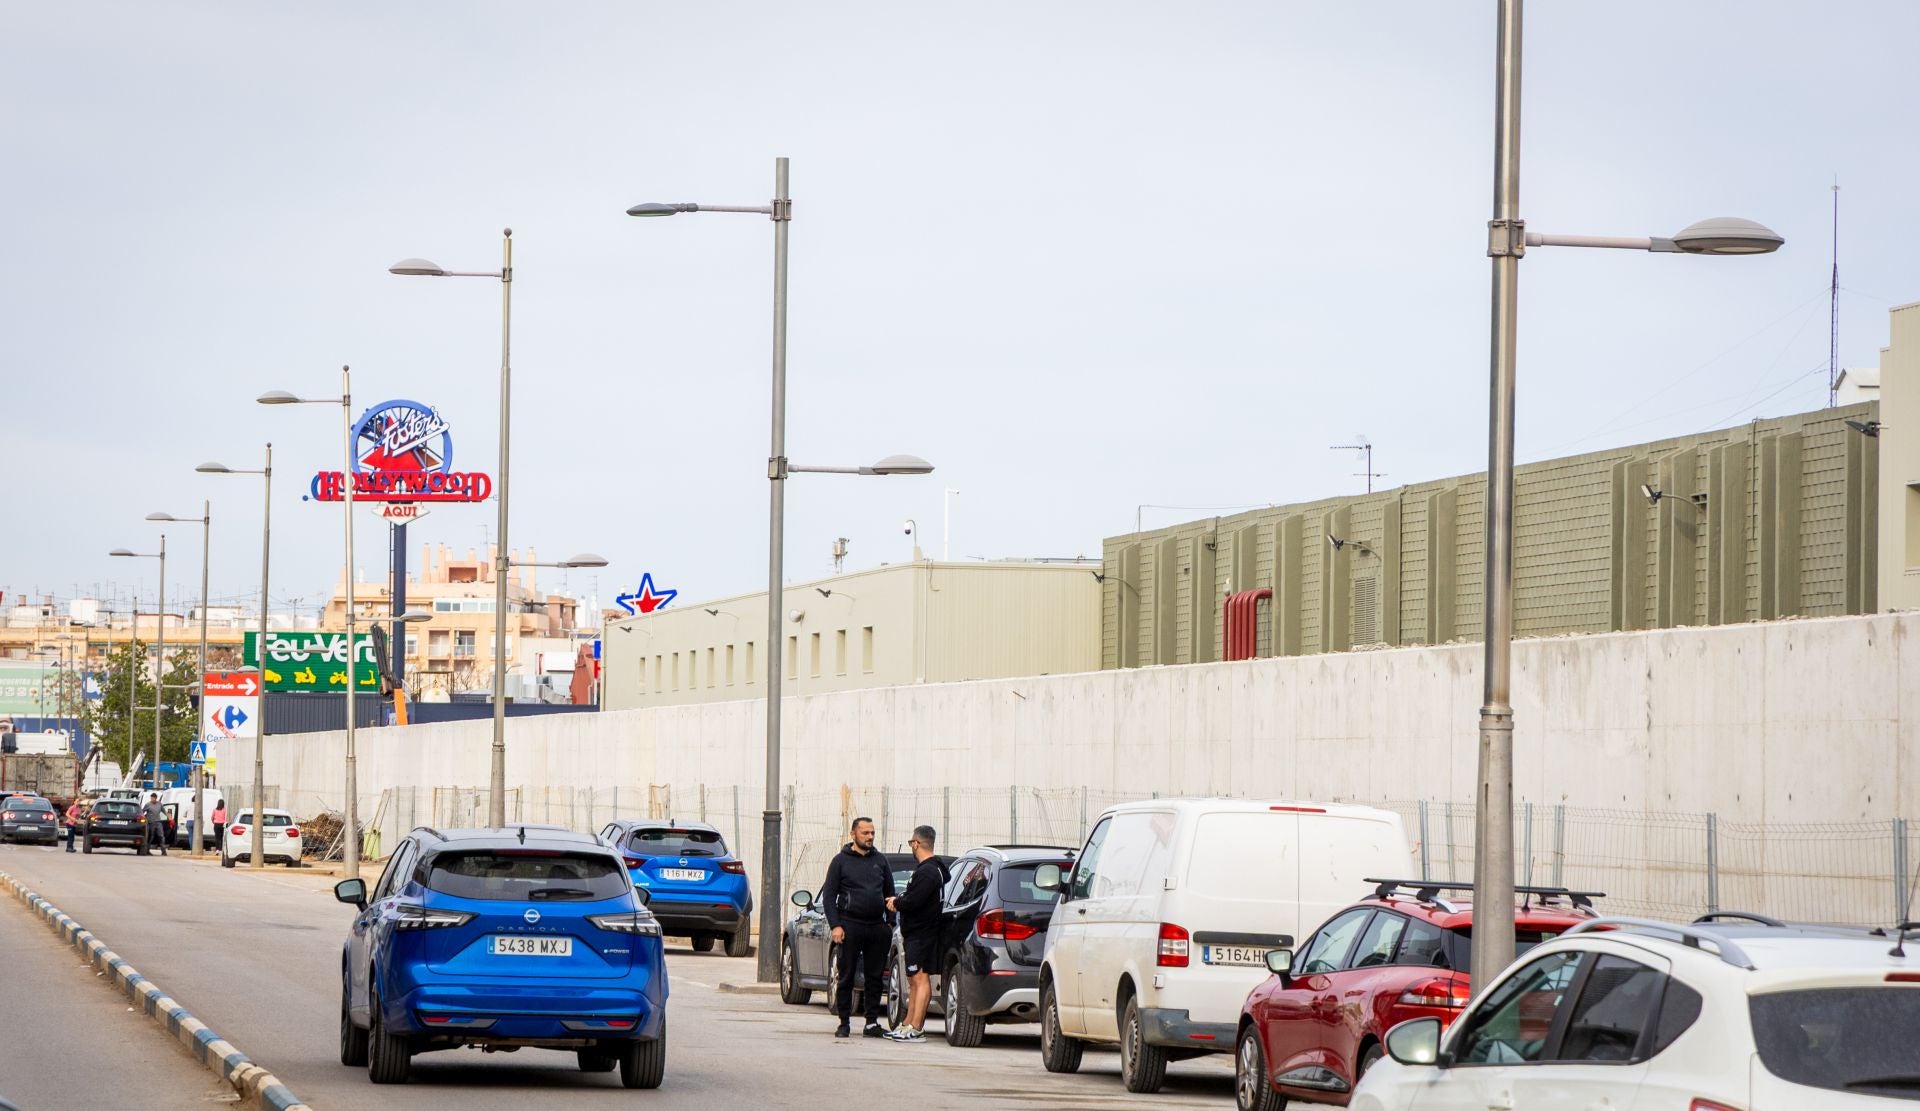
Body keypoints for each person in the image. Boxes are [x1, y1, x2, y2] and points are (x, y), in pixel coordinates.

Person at [819, 816, 895, 1039]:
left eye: (872, 833)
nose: (870, 837)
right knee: (847, 975)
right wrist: (836, 925)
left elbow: (890, 893)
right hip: (849, 926)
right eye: (865, 833)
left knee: (874, 977)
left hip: (876, 927)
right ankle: (844, 1022)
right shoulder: (840, 861)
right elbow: (829, 897)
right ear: (853, 834)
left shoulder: (880, 861)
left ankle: (871, 1023)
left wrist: (889, 923)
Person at [886, 825, 948, 1043]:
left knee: (920, 979)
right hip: (918, 933)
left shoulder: (928, 871)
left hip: (923, 933)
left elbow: (915, 900)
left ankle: (917, 1027)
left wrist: (897, 902)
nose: (911, 846)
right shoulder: (935, 869)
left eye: (912, 842)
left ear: (916, 843)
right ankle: (907, 1023)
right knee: (913, 979)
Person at [142, 792, 168, 856]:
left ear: (156, 798)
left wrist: (169, 817)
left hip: (158, 822)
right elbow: (142, 812)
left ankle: (163, 851)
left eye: (153, 798)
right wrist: (144, 819)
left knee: (161, 836)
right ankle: (147, 850)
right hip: (151, 823)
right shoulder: (148, 804)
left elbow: (164, 811)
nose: (152, 799)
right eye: (151, 798)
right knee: (151, 836)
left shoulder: (159, 804)